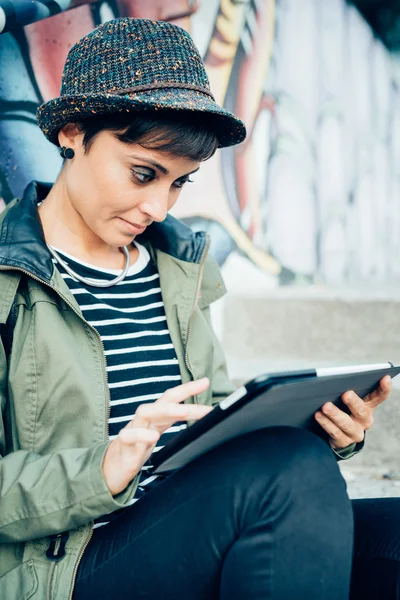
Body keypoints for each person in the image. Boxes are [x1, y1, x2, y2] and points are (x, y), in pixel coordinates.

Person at [0, 17, 393, 600]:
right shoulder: (10, 281)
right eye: (143, 173)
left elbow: (215, 424)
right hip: (65, 565)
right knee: (285, 477)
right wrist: (103, 469)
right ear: (73, 134)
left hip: (184, 525)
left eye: (180, 183)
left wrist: (319, 432)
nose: (158, 207)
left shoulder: (179, 267)